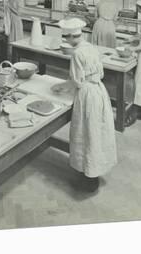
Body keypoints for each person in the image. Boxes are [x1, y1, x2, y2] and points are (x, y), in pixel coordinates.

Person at [53, 17, 117, 192]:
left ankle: (88, 179)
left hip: (87, 95)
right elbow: (100, 72)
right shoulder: (91, 48)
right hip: (99, 91)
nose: (66, 41)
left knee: (85, 132)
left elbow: (77, 81)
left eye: (66, 38)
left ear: (71, 37)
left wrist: (61, 87)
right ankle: (93, 170)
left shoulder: (77, 54)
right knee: (96, 132)